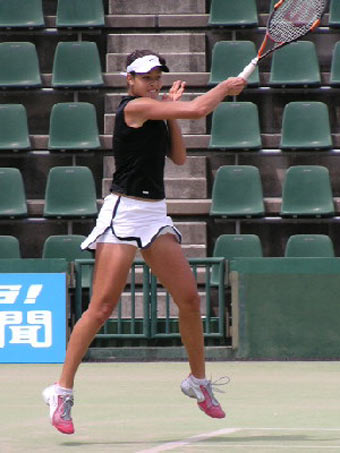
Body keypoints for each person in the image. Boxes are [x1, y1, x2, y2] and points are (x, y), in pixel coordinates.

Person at [42, 49, 246, 435]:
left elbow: (181, 159)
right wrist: (224, 87)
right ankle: (62, 391)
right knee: (101, 308)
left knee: (188, 298)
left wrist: (172, 114)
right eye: (146, 77)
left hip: (155, 215)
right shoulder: (133, 109)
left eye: (158, 77)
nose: (154, 83)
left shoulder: (156, 109)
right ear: (129, 81)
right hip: (124, 213)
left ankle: (198, 382)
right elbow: (201, 109)